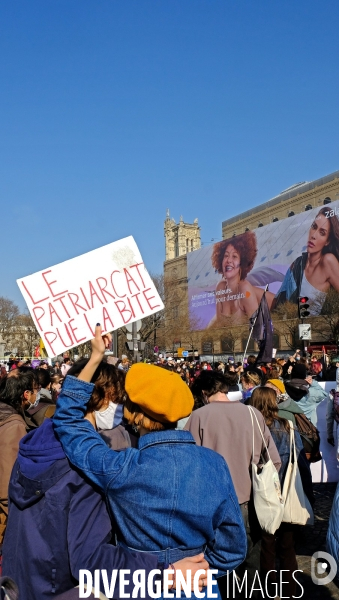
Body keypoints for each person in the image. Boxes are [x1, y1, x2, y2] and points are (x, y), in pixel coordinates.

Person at [54, 327, 247, 599]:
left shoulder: (122, 467)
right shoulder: (214, 463)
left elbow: (68, 422)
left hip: (140, 585)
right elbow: (233, 549)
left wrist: (96, 357)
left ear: (135, 413)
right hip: (198, 587)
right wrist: (197, 569)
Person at [3, 359, 207, 600]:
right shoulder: (85, 469)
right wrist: (162, 574)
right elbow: (90, 560)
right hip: (60, 589)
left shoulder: (34, 444)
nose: (121, 408)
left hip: (20, 583)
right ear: (101, 396)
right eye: (117, 399)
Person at [184, 371, 280, 597]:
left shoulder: (198, 417)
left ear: (204, 393)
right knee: (252, 569)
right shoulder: (253, 413)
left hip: (213, 507)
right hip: (252, 503)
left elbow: (188, 465)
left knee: (219, 570)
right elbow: (274, 461)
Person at [249, 387, 313, 599]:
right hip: (287, 492)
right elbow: (299, 460)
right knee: (287, 546)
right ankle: (290, 590)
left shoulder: (253, 429)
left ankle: (267, 590)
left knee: (266, 545)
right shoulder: (288, 426)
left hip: (263, 495)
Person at [274, 207, 339, 314]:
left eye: (322, 233)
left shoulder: (328, 261)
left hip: (316, 327)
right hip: (293, 323)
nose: (313, 235)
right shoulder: (299, 263)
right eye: (314, 227)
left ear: (327, 241)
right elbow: (281, 299)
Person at [0, 371, 39, 543]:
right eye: (35, 389)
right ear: (26, 394)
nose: (37, 394)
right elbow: (7, 479)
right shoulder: (14, 425)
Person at [208, 232, 275, 327]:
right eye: (226, 256)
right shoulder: (220, 287)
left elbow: (258, 328)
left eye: (234, 256)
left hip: (282, 309)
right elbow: (220, 328)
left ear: (242, 262)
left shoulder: (245, 289)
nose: (229, 260)